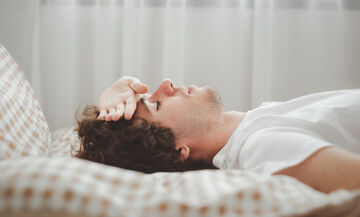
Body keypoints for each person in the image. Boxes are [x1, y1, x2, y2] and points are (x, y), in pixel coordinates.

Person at [74, 76, 360, 194]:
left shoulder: (253, 126)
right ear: (178, 150)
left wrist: (117, 88)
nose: (166, 83)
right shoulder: (260, 146)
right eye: (156, 105)